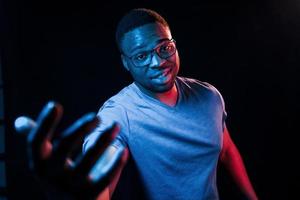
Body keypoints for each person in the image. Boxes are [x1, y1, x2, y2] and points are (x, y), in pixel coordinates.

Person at [15, 8, 258, 200]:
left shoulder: (209, 96)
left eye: (165, 48)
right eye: (142, 56)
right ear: (126, 63)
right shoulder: (119, 114)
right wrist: (85, 192)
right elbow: (102, 169)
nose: (158, 62)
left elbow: (226, 150)